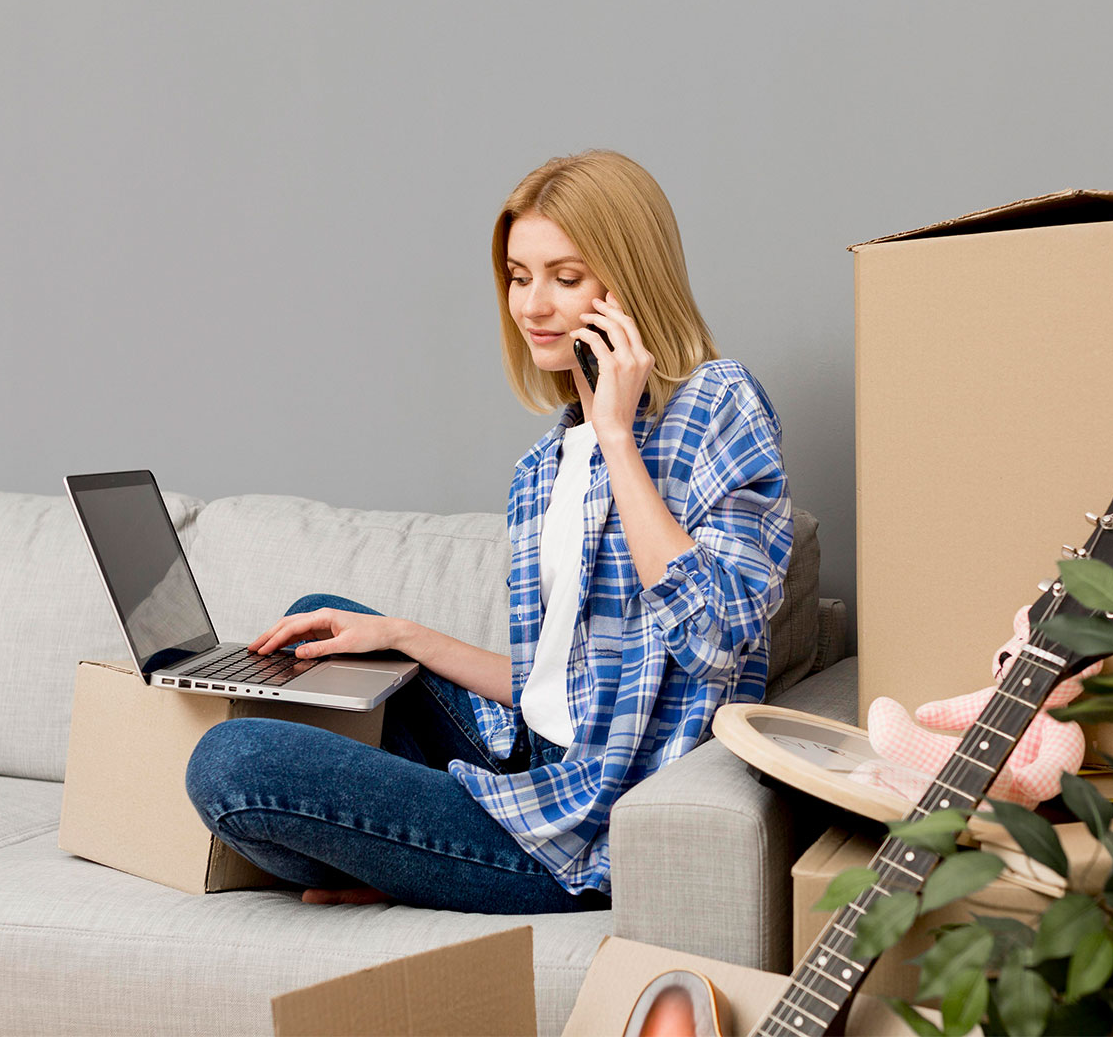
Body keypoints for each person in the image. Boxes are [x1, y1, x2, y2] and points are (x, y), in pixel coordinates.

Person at [184, 149, 794, 914]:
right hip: (529, 763)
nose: (532, 305)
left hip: (583, 826)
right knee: (327, 629)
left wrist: (618, 438)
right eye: (518, 275)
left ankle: (420, 861)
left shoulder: (717, 404)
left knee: (231, 762)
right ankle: (414, 856)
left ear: (630, 282)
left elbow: (717, 639)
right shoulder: (542, 468)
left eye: (565, 277)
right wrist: (403, 635)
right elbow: (557, 686)